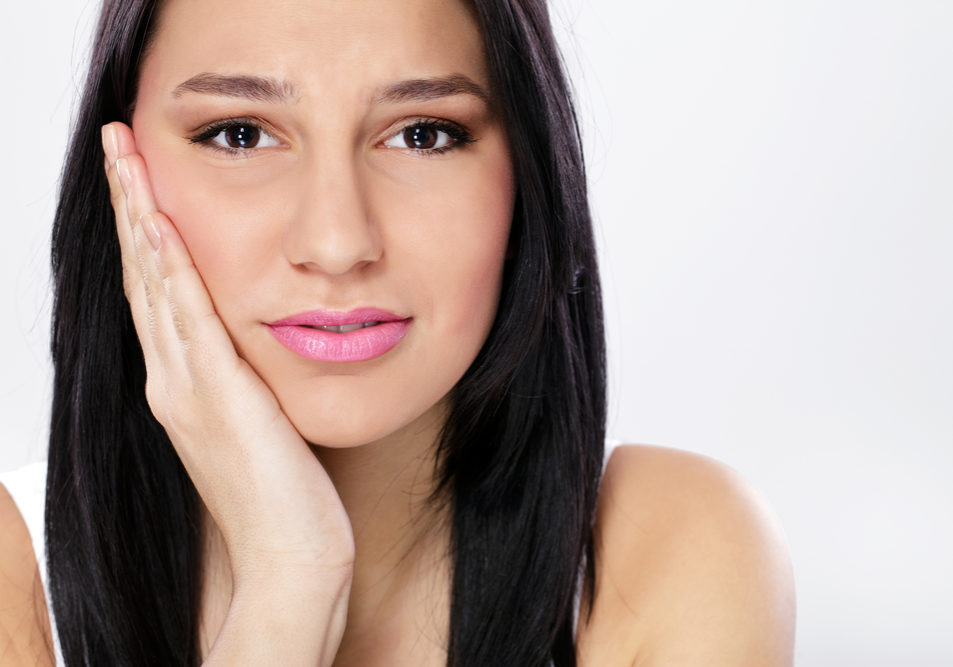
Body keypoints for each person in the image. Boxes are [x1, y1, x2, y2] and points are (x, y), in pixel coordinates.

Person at [0, 0, 795, 664]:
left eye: (422, 133)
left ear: (528, 171)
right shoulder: (16, 576)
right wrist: (287, 582)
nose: (339, 242)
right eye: (240, 133)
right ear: (119, 163)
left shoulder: (671, 551)